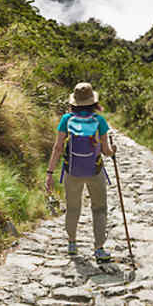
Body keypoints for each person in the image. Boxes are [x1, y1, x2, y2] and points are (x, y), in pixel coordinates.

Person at [45, 82, 115, 262]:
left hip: (72, 171)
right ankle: (99, 248)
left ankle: (72, 244)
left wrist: (50, 172)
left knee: (73, 208)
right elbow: (106, 151)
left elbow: (58, 147)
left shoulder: (66, 119)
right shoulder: (99, 121)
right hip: (95, 171)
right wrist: (113, 150)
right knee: (99, 209)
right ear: (93, 101)